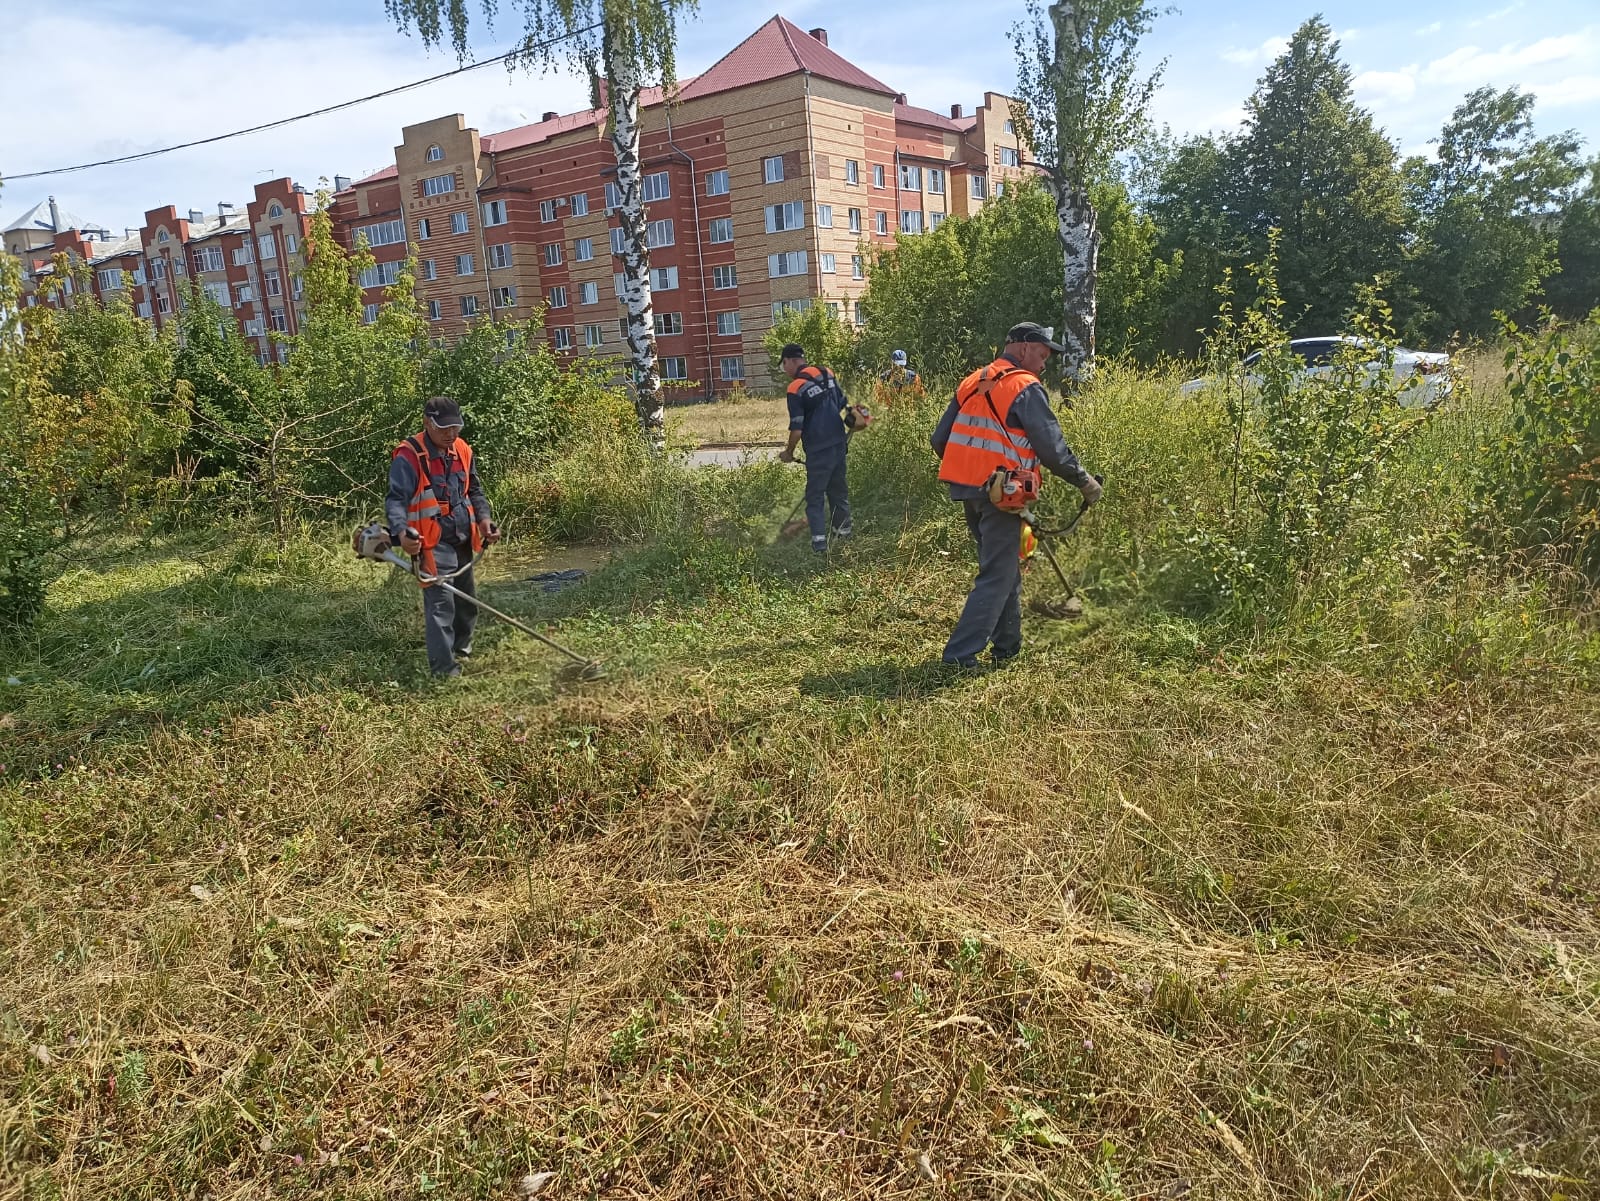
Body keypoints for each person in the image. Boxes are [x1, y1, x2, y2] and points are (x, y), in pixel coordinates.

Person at [931, 322, 1102, 669]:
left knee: (1004, 567)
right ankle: (959, 657)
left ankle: (1007, 648)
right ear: (1024, 348)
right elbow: (1052, 449)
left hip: (970, 492)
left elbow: (940, 441)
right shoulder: (1025, 386)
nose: (1043, 364)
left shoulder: (972, 382)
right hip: (1003, 493)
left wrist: (975, 470)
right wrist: (1085, 482)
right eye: (1041, 355)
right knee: (996, 574)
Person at [386, 396, 500, 678]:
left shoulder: (462, 449)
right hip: (431, 542)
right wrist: (401, 533)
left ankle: (462, 648)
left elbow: (474, 491)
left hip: (462, 535)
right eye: (444, 428)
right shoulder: (409, 456)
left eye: (455, 428)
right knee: (441, 606)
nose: (451, 434)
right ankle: (444, 671)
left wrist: (484, 520)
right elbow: (396, 500)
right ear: (427, 423)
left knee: (466, 600)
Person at [777, 342, 853, 554]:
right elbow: (843, 405)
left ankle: (819, 547)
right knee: (839, 493)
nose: (785, 371)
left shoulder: (795, 388)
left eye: (783, 365)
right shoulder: (826, 373)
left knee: (815, 497)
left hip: (819, 450)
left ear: (790, 361)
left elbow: (797, 429)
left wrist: (789, 452)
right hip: (839, 444)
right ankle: (844, 537)